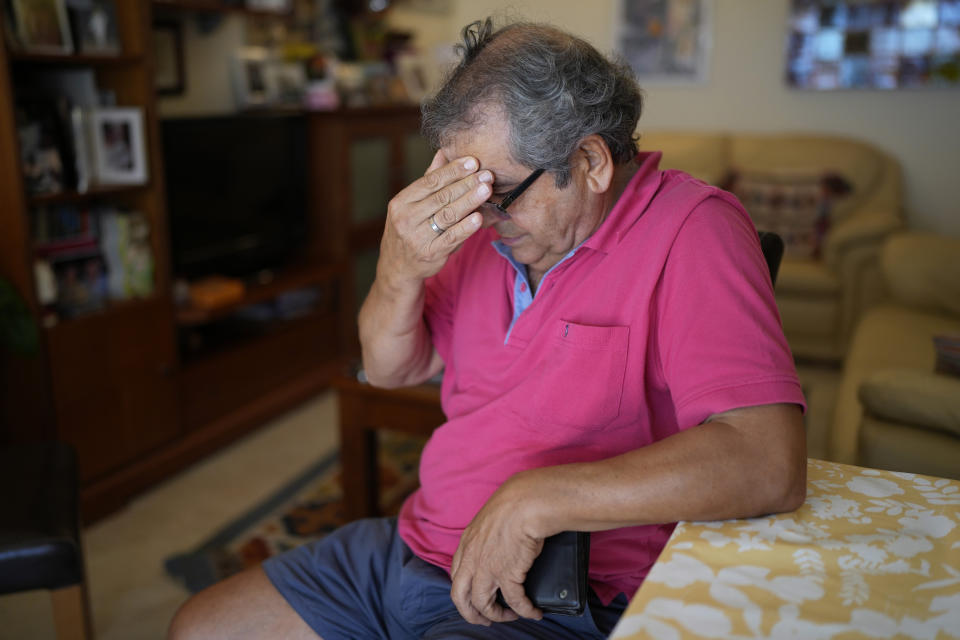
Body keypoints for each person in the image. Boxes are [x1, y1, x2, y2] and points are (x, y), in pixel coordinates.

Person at [168, 17, 807, 640]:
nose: (475, 213)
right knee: (199, 627)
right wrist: (398, 266)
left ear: (590, 161)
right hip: (422, 543)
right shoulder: (484, 232)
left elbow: (766, 458)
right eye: (457, 186)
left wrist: (538, 498)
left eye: (495, 189)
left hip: (549, 591)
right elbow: (391, 370)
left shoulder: (694, 230)